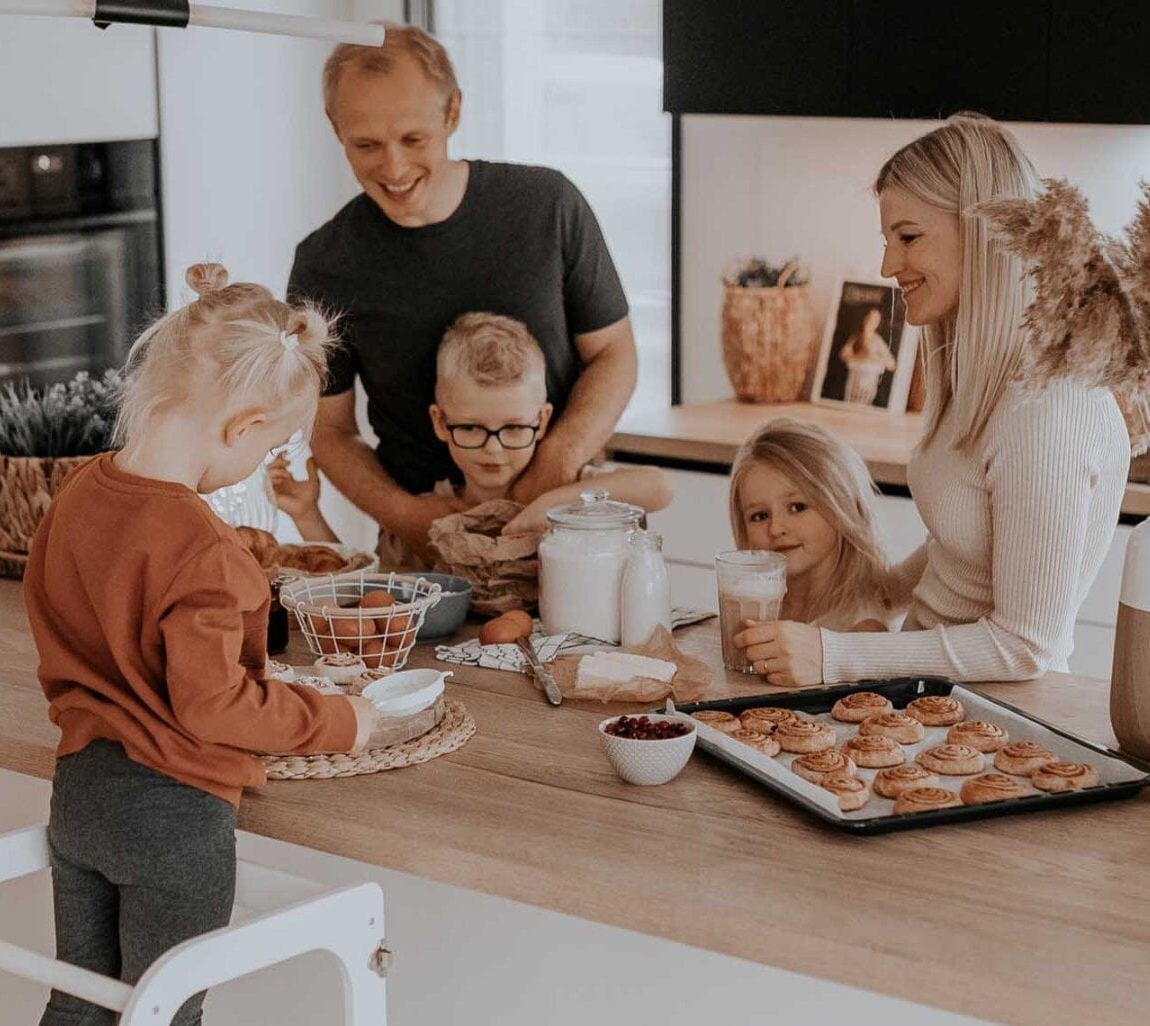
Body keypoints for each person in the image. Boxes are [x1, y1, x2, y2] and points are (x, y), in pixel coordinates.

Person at [20, 263, 387, 1026]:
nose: (262, 463)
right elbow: (213, 706)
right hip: (174, 816)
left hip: (81, 797)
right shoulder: (206, 549)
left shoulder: (74, 501)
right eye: (270, 444)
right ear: (237, 430)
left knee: (82, 1000)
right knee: (167, 1020)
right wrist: (339, 720)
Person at [736, 114, 1130, 688]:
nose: (888, 266)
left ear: (982, 232)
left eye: (908, 237)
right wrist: (875, 592)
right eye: (887, 240)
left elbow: (1027, 648)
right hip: (928, 698)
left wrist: (835, 655)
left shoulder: (1048, 409)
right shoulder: (978, 377)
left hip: (996, 720)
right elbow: (966, 539)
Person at [287, 23, 638, 555]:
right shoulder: (324, 264)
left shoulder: (547, 206)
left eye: (413, 139)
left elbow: (614, 355)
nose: (394, 167)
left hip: (570, 526)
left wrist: (552, 468)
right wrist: (405, 516)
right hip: (421, 548)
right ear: (335, 127)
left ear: (452, 113)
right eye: (366, 145)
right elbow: (330, 430)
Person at [269, 311, 671, 554]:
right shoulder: (428, 519)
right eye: (472, 428)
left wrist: (546, 504)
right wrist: (307, 515)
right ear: (441, 423)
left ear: (543, 421)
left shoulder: (578, 499)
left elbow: (658, 487)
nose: (493, 449)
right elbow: (358, 595)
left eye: (514, 428)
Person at [728, 417, 888, 626]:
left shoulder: (862, 627)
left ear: (841, 505)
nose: (776, 528)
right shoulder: (750, 606)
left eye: (797, 507)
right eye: (760, 516)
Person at [839, 305, 896, 405]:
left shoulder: (878, 341)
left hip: (868, 383)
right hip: (854, 381)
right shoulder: (856, 337)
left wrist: (873, 358)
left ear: (878, 323)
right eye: (869, 317)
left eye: (875, 320)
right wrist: (860, 356)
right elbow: (844, 355)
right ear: (865, 318)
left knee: (863, 404)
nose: (871, 321)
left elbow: (892, 364)